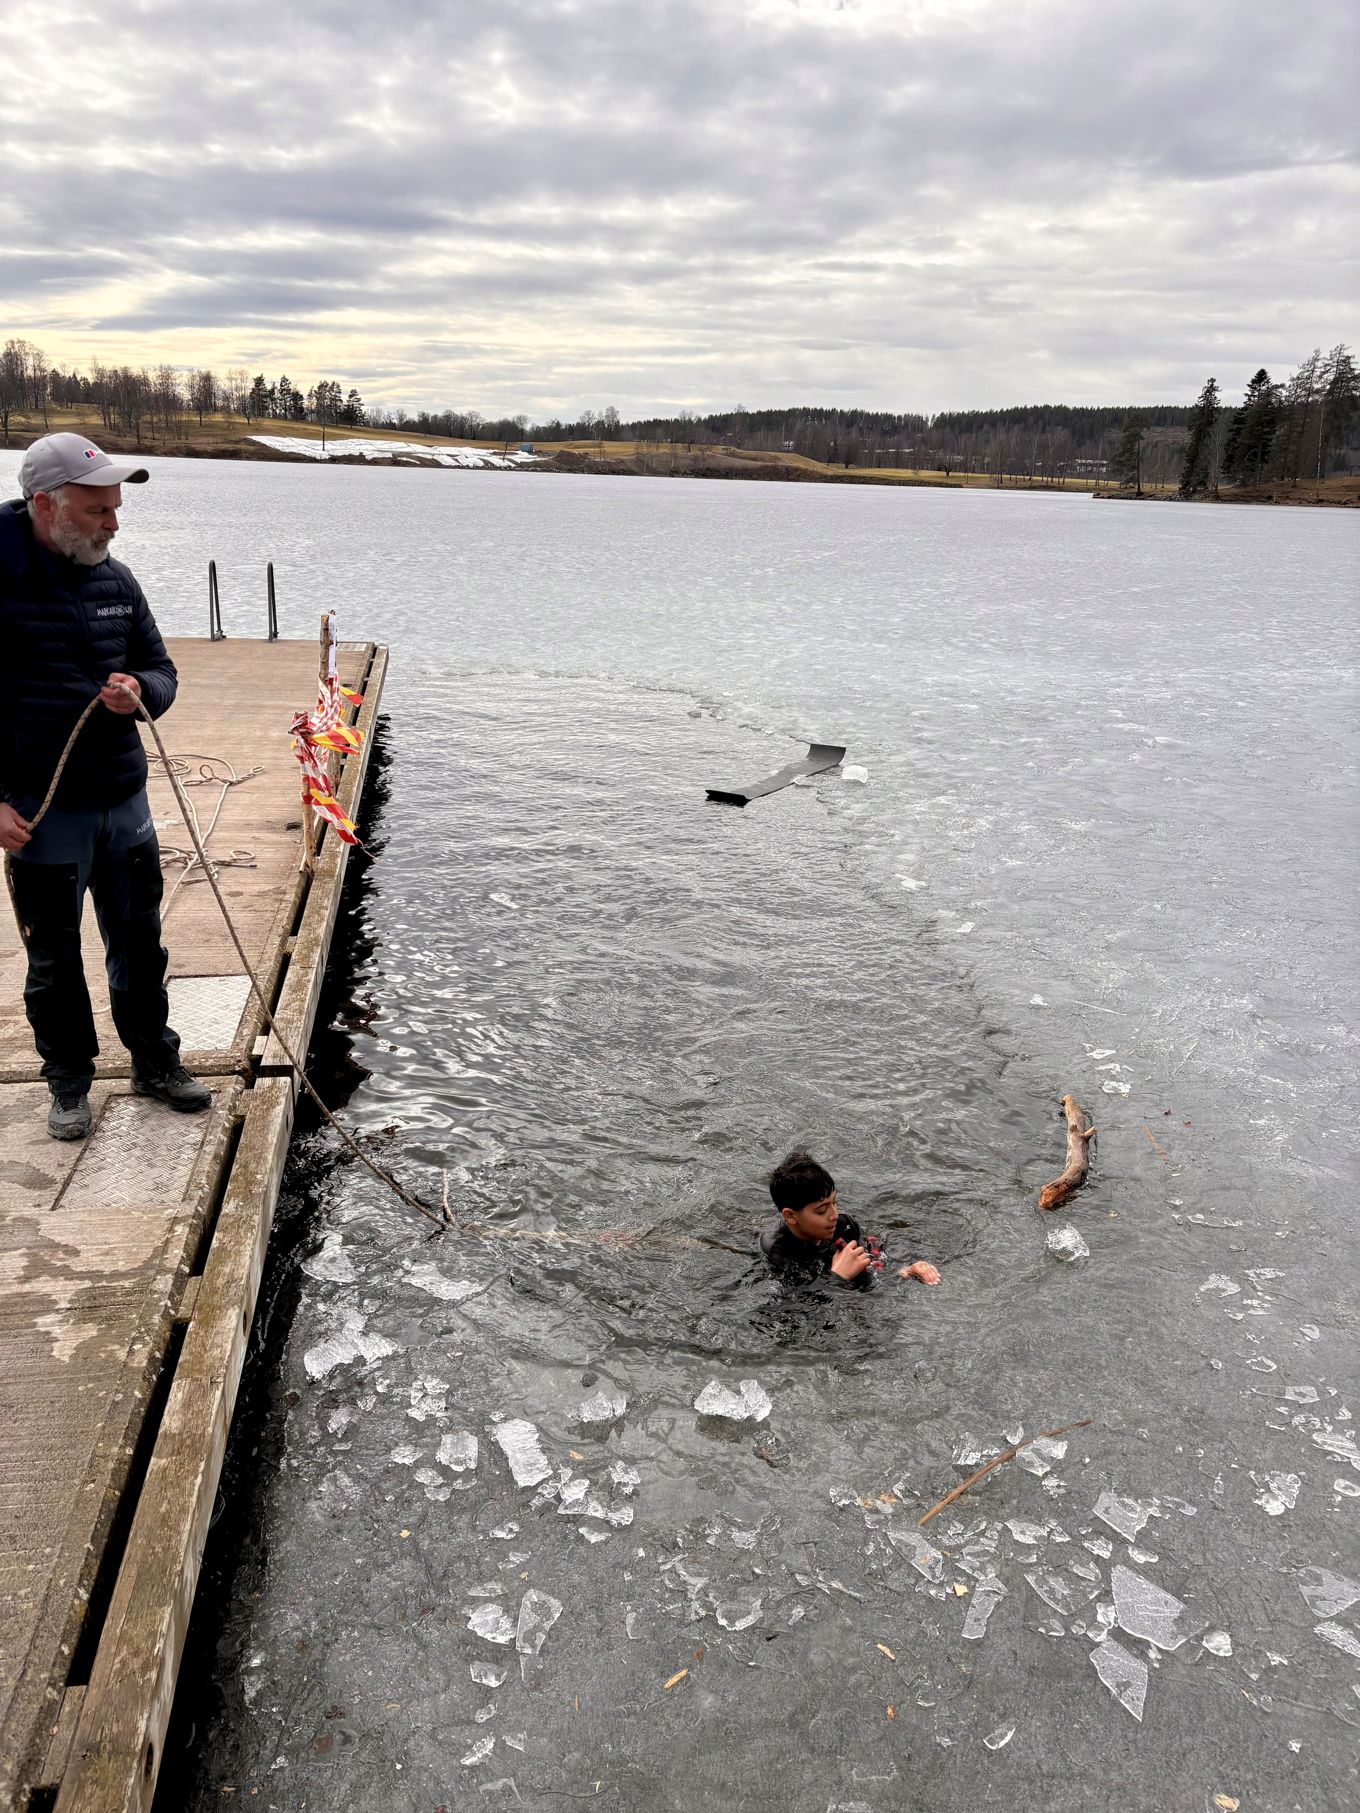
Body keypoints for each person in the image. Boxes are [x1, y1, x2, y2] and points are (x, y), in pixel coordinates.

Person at [0, 432, 211, 1139]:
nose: (113, 524)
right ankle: (68, 1081)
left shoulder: (117, 581)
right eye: (97, 511)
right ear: (45, 505)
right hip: (41, 813)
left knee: (140, 944)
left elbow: (163, 670)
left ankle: (155, 1062)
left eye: (115, 509)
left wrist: (139, 691)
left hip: (125, 803)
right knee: (54, 961)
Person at [760, 1148, 942, 1289]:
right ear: (791, 1216)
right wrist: (837, 1277)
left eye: (835, 1202)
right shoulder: (776, 1250)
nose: (834, 1215)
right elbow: (798, 1306)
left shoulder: (844, 1225)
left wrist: (906, 1266)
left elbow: (880, 1244)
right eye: (822, 1210)